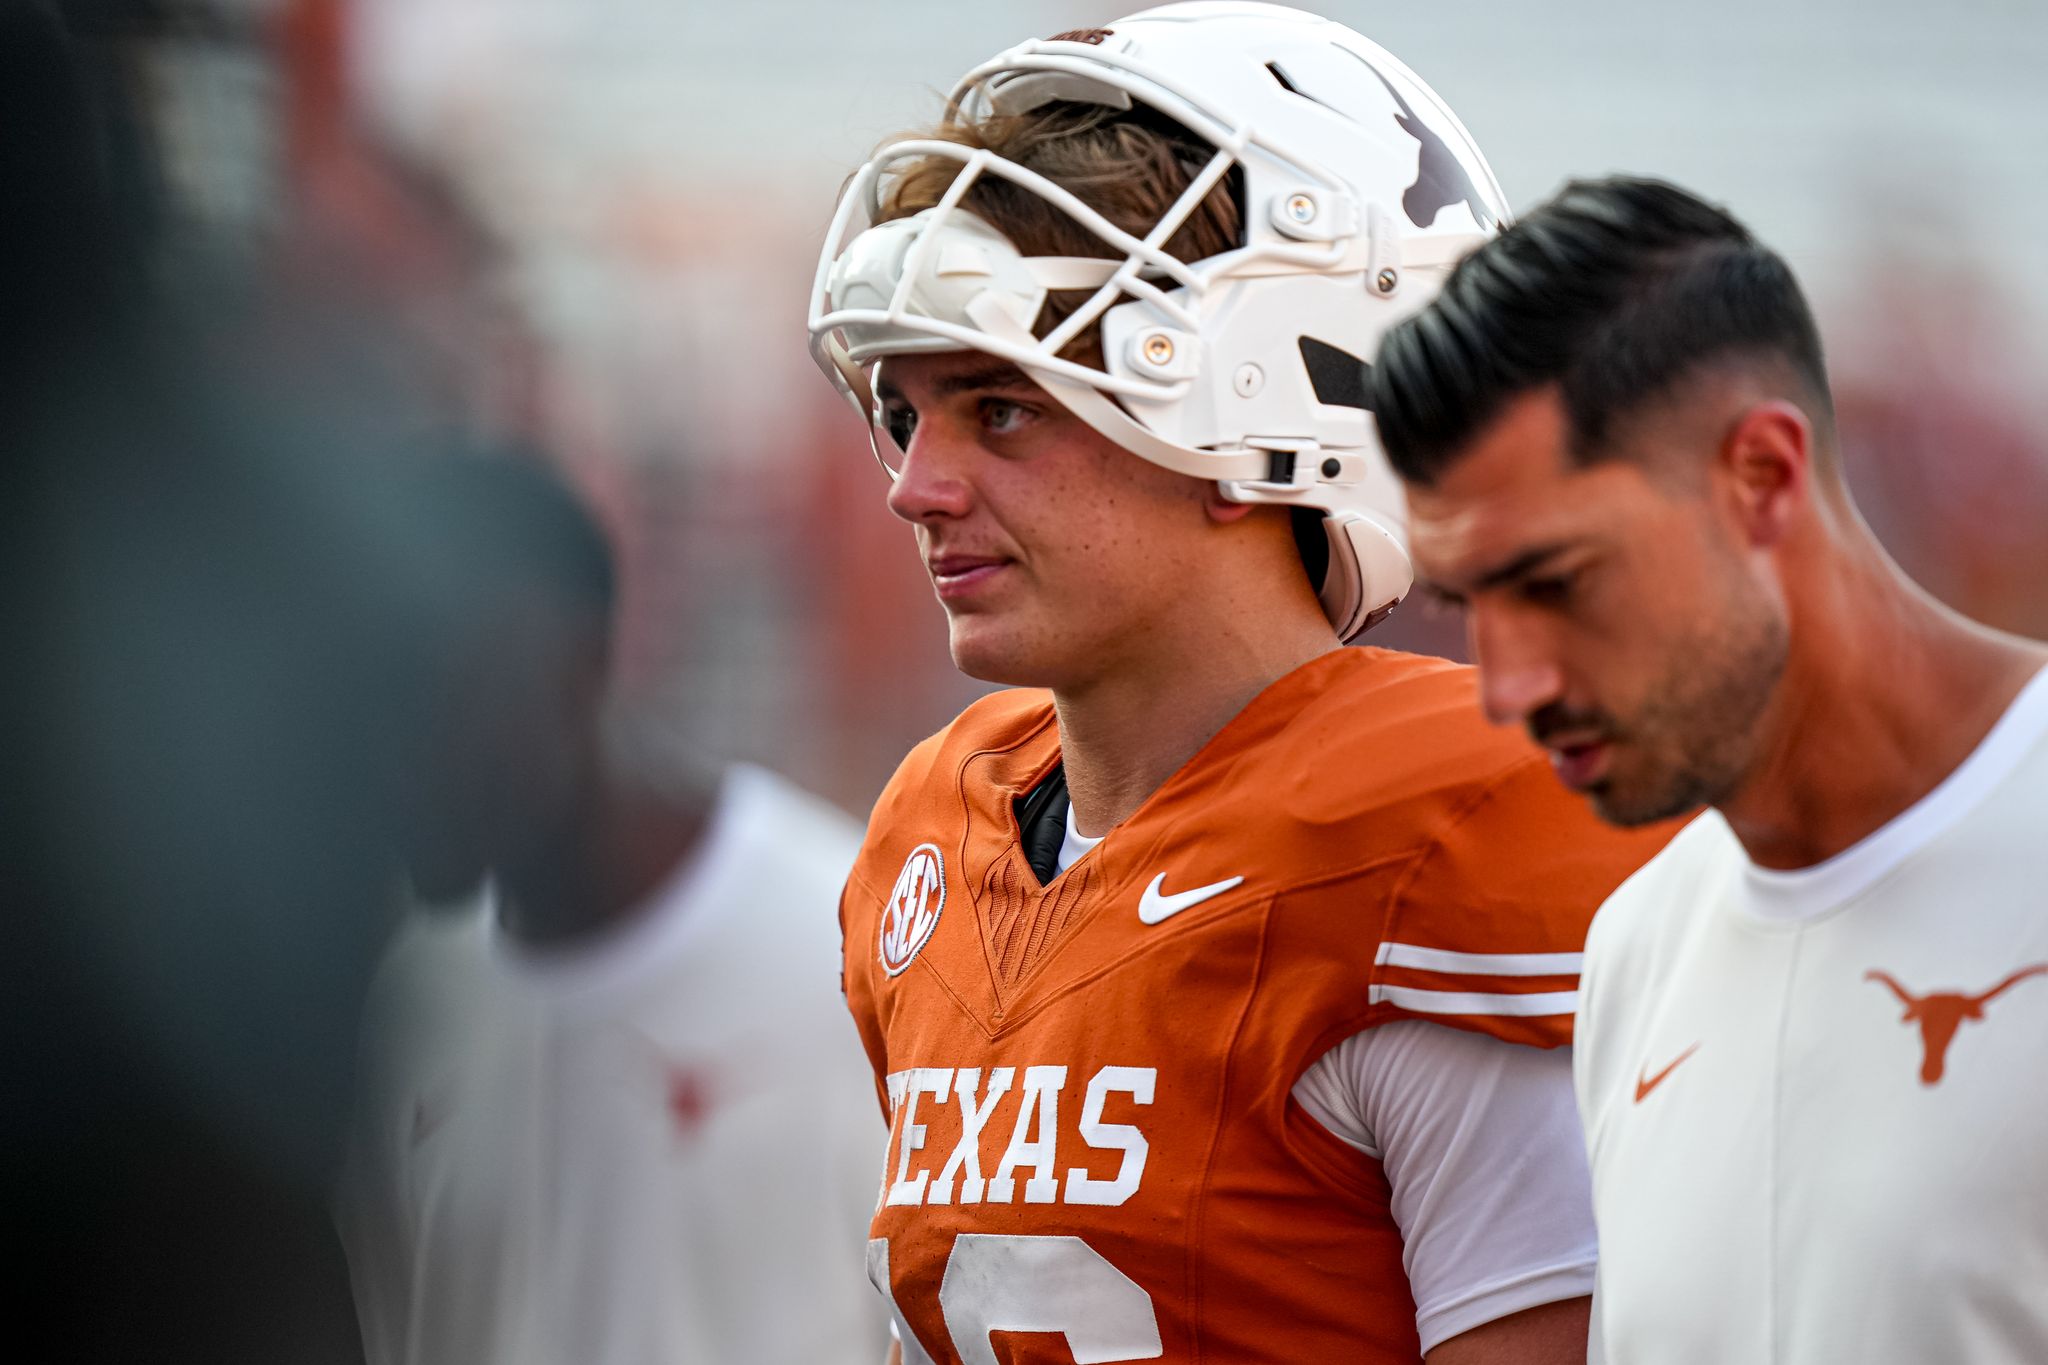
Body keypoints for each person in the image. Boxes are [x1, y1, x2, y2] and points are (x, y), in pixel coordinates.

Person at [805, 7, 1676, 1361]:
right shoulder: (939, 832)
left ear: (1242, 415)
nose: (916, 488)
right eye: (907, 414)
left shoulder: (1432, 845)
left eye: (1002, 409)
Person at [1368, 175, 2048, 1363]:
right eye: (1467, 603)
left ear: (1762, 477)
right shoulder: (1634, 946)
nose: (1505, 686)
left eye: (1555, 583)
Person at [337, 457, 890, 1364]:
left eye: (434, 695)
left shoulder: (855, 946)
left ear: (581, 660)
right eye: (360, 708)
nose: (396, 759)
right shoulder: (398, 1008)